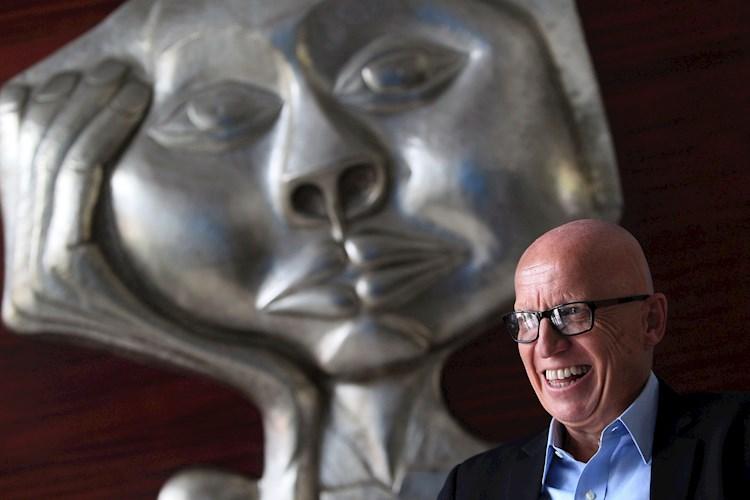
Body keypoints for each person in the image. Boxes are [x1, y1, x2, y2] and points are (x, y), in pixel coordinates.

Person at [438, 219, 750, 499]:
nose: (545, 346)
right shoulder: (470, 488)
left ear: (651, 321)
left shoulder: (740, 444)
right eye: (527, 319)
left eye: (571, 312)